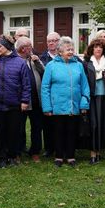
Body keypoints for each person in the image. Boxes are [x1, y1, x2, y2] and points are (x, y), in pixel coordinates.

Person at [0, 34, 31, 168]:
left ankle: (12, 156)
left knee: (13, 132)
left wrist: (25, 101)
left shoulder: (20, 62)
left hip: (15, 104)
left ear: (7, 47)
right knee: (0, 132)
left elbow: (26, 84)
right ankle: (1, 157)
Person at [41, 36, 90, 167]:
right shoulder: (51, 66)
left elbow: (85, 86)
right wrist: (47, 107)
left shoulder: (79, 65)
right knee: (58, 132)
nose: (71, 51)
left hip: (74, 105)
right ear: (60, 51)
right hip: (57, 105)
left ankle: (70, 156)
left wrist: (84, 103)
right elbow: (45, 87)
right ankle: (58, 156)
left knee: (72, 131)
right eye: (68, 49)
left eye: (72, 49)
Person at [84, 38, 105, 164]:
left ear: (103, 49)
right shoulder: (87, 63)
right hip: (92, 98)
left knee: (103, 125)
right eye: (96, 47)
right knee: (94, 125)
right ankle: (93, 153)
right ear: (92, 49)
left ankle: (99, 152)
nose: (98, 49)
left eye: (100, 47)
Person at [16, 36, 45, 162]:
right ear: (23, 49)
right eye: (29, 46)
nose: (32, 48)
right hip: (21, 100)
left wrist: (37, 62)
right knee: (19, 127)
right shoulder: (16, 60)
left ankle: (35, 151)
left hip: (36, 99)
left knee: (36, 127)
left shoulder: (34, 59)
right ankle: (18, 151)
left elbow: (44, 72)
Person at [39, 31, 61, 157]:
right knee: (47, 124)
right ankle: (49, 148)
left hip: (60, 95)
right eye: (49, 41)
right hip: (48, 94)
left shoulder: (65, 57)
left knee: (60, 123)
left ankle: (61, 146)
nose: (52, 43)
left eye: (54, 40)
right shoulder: (42, 59)